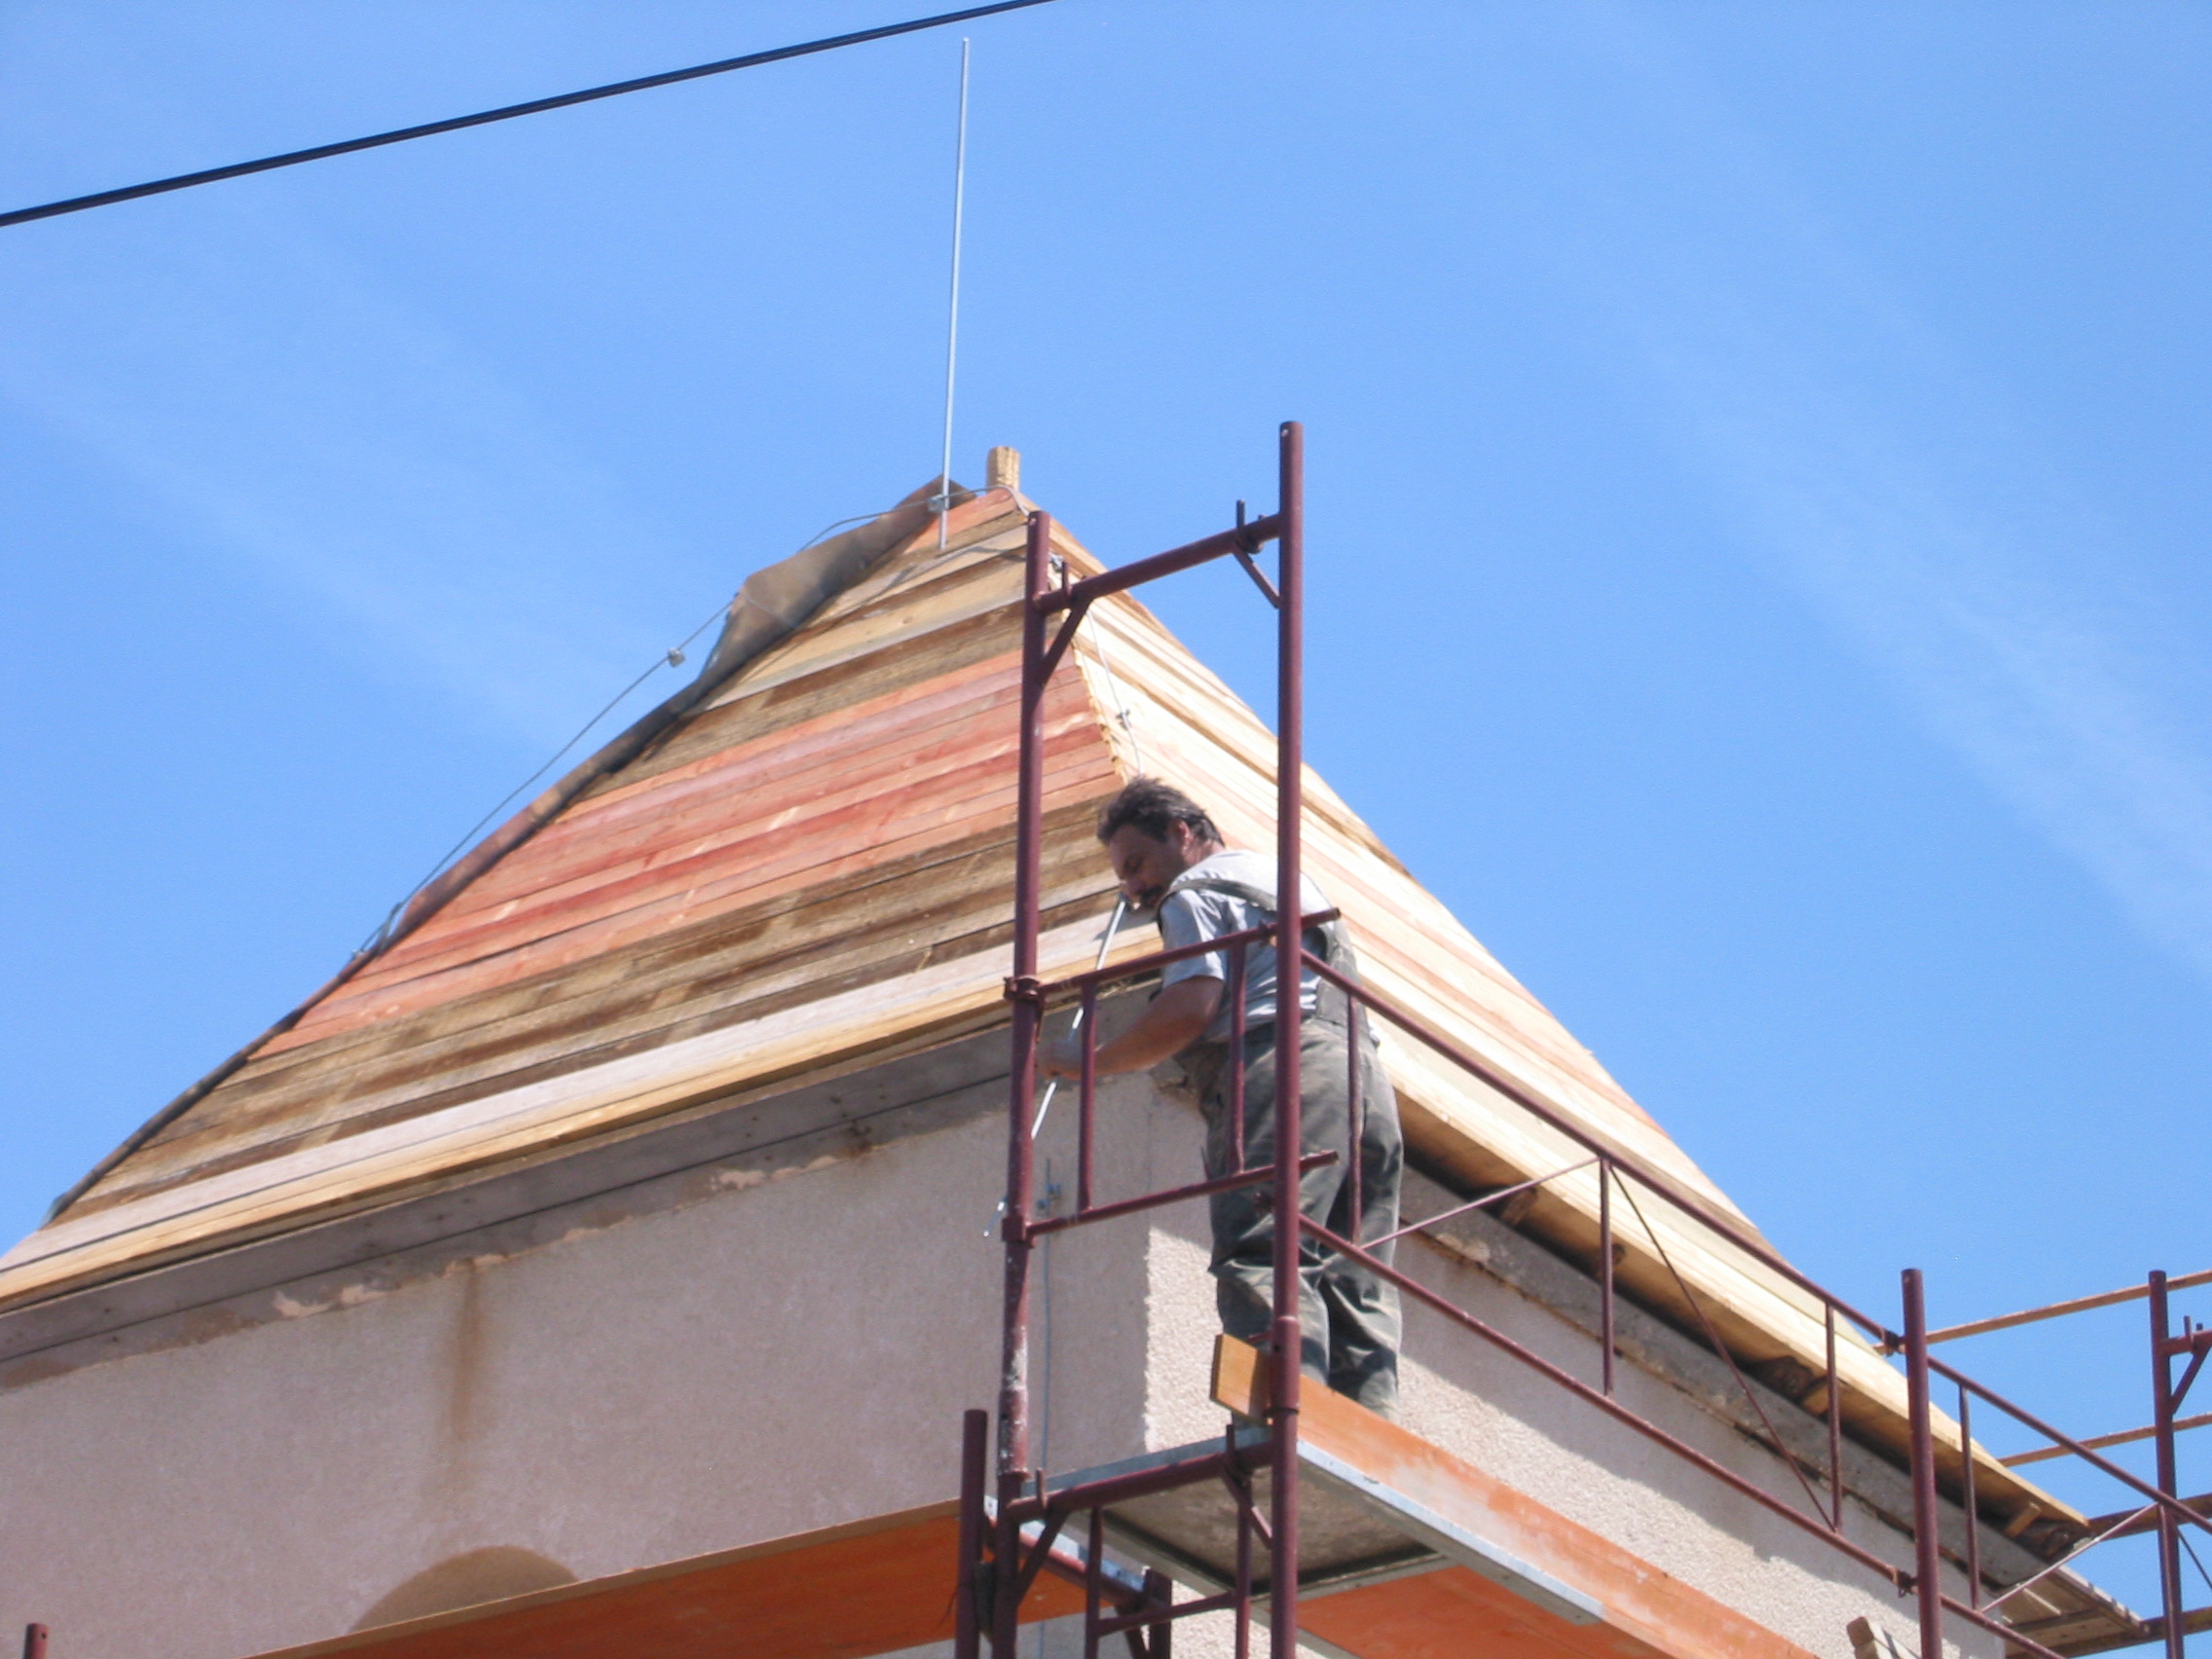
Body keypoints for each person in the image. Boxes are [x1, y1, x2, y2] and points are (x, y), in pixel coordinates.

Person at [1042, 777, 1404, 1417]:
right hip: (1363, 1082)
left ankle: (1286, 1431)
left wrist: (1088, 1063)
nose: (1134, 888)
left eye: (1136, 864)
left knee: (1263, 1252)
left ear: (1182, 833)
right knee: (1354, 1277)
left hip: (1285, 1070)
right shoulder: (1282, 880)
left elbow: (1190, 1007)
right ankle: (1369, 1446)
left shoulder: (1195, 893)